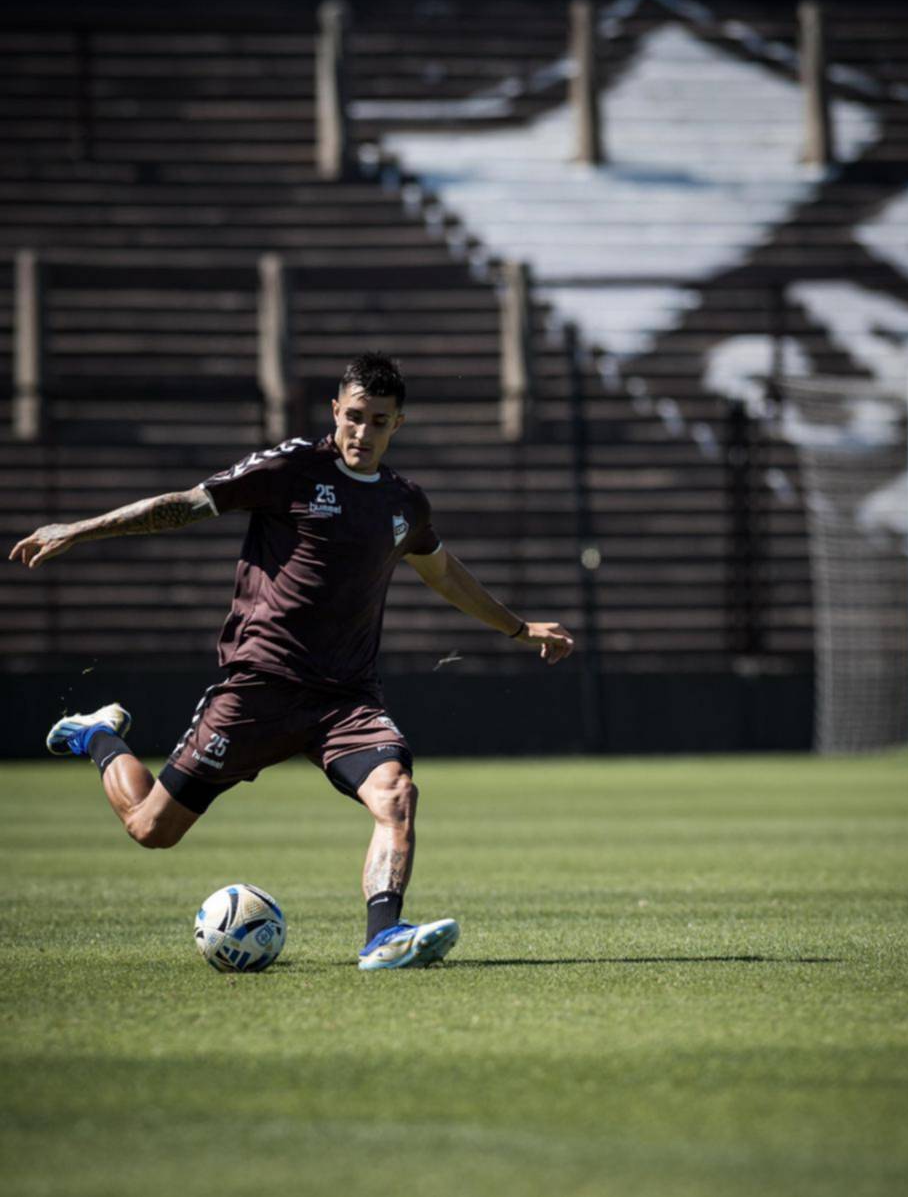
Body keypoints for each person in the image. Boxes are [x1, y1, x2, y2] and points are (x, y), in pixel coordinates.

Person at [9, 352, 574, 970]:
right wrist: (78, 528)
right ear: (335, 410)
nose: (363, 432)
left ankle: (383, 937)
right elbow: (181, 506)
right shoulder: (292, 469)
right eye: (354, 417)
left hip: (346, 699)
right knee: (151, 829)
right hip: (261, 686)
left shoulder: (404, 504)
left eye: (378, 421)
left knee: (398, 794)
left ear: (398, 424)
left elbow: (445, 575)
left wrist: (519, 628)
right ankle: (96, 736)